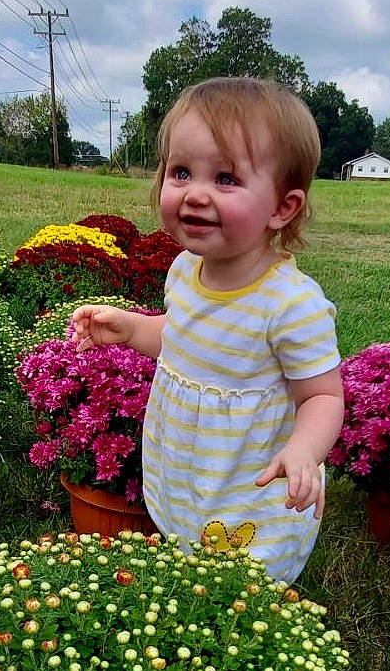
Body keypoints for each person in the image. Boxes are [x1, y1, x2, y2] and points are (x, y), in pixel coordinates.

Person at [70, 76, 343, 584]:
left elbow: (323, 397)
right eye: (180, 172)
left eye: (225, 179)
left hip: (249, 477)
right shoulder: (183, 271)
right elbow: (182, 338)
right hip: (187, 458)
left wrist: (304, 450)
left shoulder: (291, 305)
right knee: (185, 538)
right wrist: (132, 329)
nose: (195, 194)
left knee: (245, 577)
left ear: (283, 207)